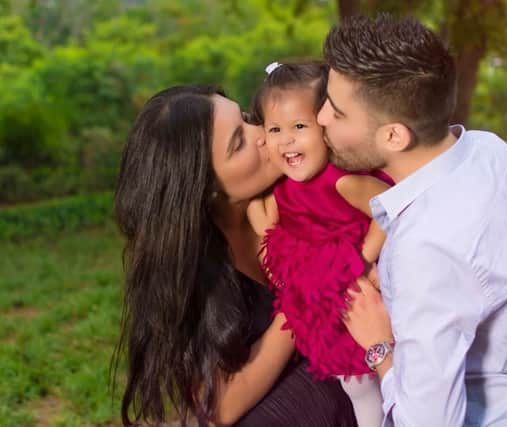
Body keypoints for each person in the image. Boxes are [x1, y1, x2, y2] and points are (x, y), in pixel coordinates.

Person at [318, 14, 507, 427]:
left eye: (337, 113)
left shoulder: (425, 247)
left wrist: (379, 347)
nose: (321, 117)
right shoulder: (490, 149)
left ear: (394, 136)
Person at [112, 84, 358, 427]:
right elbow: (220, 408)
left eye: (245, 118)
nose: (263, 134)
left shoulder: (306, 189)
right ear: (206, 188)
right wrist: (302, 299)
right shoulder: (195, 272)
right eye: (239, 141)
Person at [247, 61, 392, 426]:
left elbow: (389, 207)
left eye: (299, 127)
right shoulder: (279, 185)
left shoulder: (339, 180)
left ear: (326, 128)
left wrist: (362, 261)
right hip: (323, 295)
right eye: (275, 129)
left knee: (372, 377)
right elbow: (267, 234)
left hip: (361, 287)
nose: (288, 140)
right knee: (353, 383)